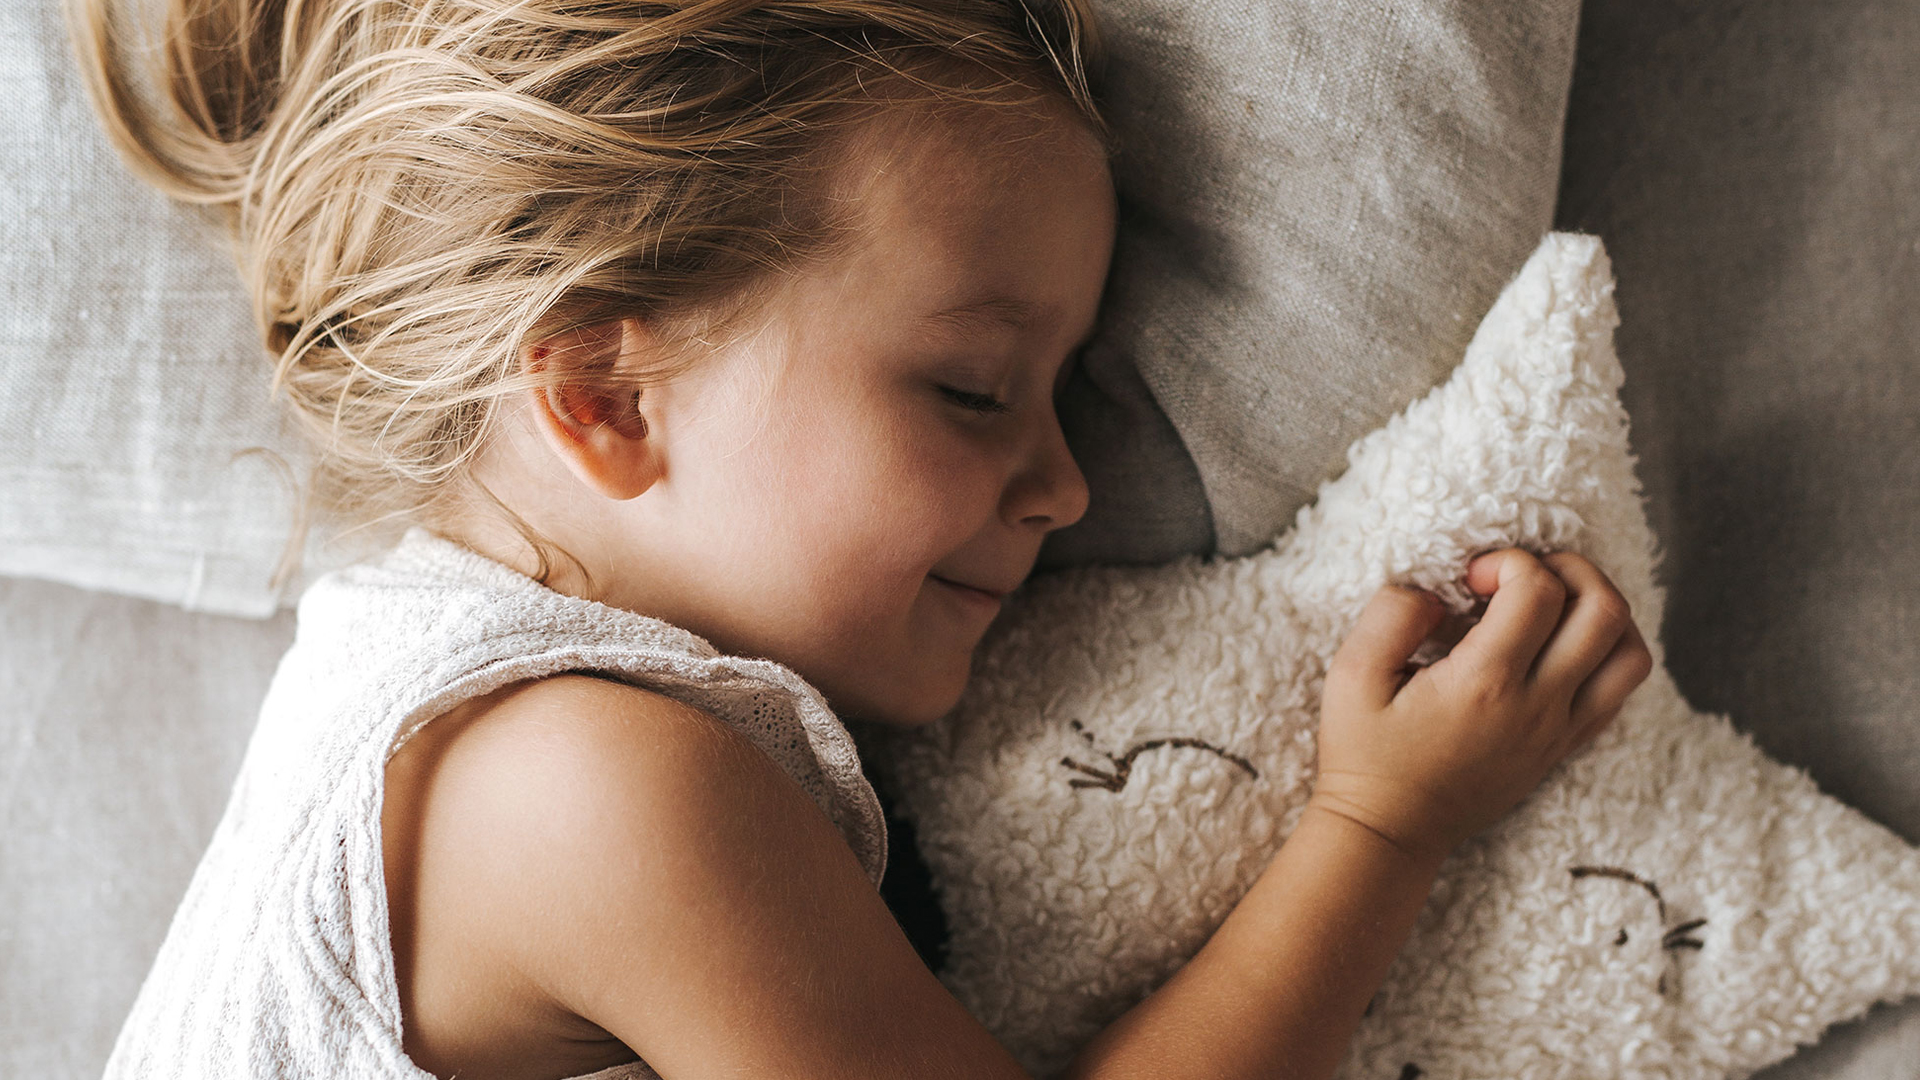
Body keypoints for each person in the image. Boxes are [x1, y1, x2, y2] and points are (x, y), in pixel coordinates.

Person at [71, 0, 1655, 1077]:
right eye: (973, 390)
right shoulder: (590, 788)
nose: (1066, 486)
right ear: (609, 396)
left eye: (1059, 398)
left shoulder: (458, 702)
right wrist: (1385, 828)